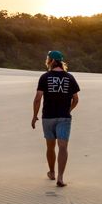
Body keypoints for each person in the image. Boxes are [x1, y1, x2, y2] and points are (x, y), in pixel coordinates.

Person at [31, 50, 80, 187]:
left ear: (52, 61)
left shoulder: (45, 77)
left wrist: (34, 116)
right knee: (63, 147)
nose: (47, 60)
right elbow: (76, 99)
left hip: (48, 117)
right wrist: (68, 110)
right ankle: (60, 177)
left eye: (48, 58)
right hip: (64, 117)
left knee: (50, 146)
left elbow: (37, 99)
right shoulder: (70, 77)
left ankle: (52, 172)